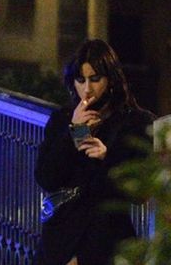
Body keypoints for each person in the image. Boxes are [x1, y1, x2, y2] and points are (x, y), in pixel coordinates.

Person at [35, 39, 155, 265]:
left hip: (106, 240)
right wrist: (74, 131)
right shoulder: (63, 119)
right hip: (62, 236)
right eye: (80, 80)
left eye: (95, 79)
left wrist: (106, 157)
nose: (87, 89)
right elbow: (46, 176)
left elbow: (138, 192)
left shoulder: (135, 123)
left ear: (110, 80)